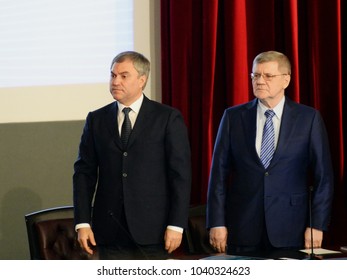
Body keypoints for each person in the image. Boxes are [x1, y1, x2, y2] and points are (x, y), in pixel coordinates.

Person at [207, 51, 334, 257]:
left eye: (268, 76)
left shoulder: (308, 118)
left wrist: (317, 224)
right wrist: (216, 222)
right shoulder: (233, 117)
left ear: (286, 80)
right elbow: (218, 176)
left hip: (292, 228)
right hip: (243, 227)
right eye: (255, 76)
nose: (260, 81)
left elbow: (324, 178)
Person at [73, 51, 191, 259]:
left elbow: (180, 176)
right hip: (109, 230)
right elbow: (84, 174)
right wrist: (82, 222)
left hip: (154, 231)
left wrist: (176, 224)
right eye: (112, 75)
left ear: (142, 80)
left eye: (123, 76)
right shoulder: (96, 120)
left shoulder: (167, 118)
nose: (115, 81)